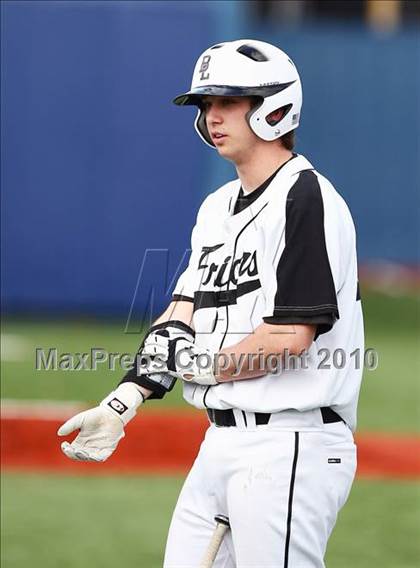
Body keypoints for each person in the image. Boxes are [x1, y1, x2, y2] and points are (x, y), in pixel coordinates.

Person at [58, 39, 364, 567]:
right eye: (205, 105)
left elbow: (291, 336)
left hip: (291, 443)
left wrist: (201, 365)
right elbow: (180, 314)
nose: (211, 116)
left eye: (227, 101)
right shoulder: (216, 207)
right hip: (220, 443)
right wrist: (124, 400)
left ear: (273, 106)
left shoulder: (304, 196)